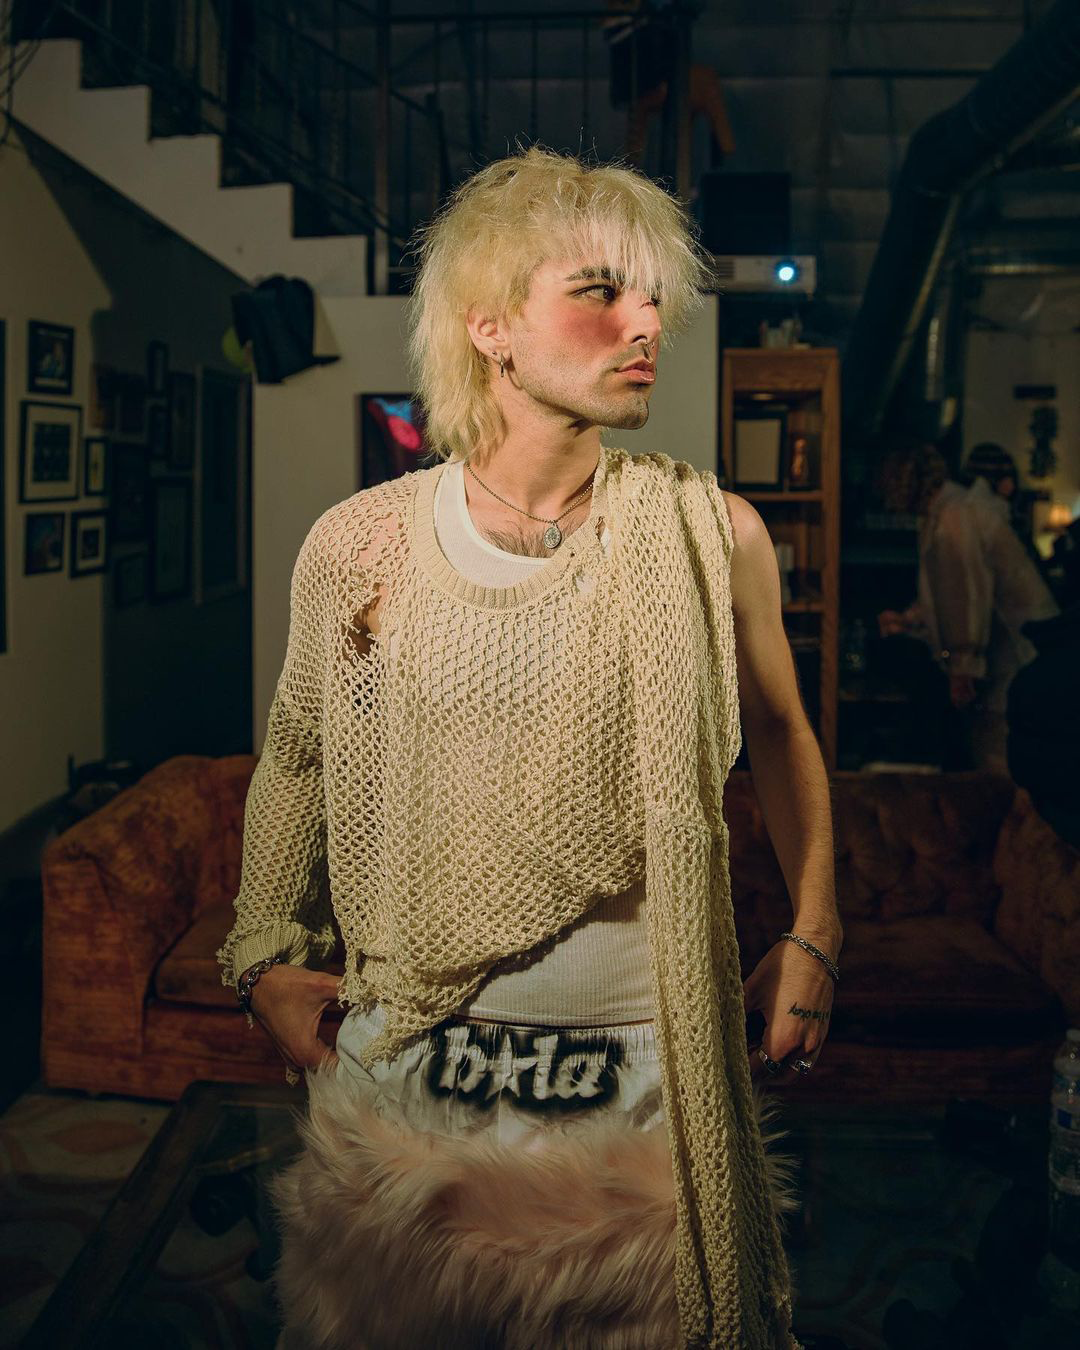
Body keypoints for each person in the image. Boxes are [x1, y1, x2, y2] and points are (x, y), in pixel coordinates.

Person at [218, 147, 841, 1350]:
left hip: (644, 1078)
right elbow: (296, 755)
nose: (645, 322)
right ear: (490, 326)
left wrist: (817, 930)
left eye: (653, 296)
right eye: (600, 291)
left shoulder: (714, 533)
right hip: (410, 1075)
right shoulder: (363, 544)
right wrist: (260, 956)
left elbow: (780, 731)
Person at [877, 441, 1059, 772]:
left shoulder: (955, 516)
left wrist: (963, 668)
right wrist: (909, 619)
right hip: (1017, 659)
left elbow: (966, 595)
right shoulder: (946, 512)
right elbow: (944, 591)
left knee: (1001, 759)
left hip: (1019, 657)